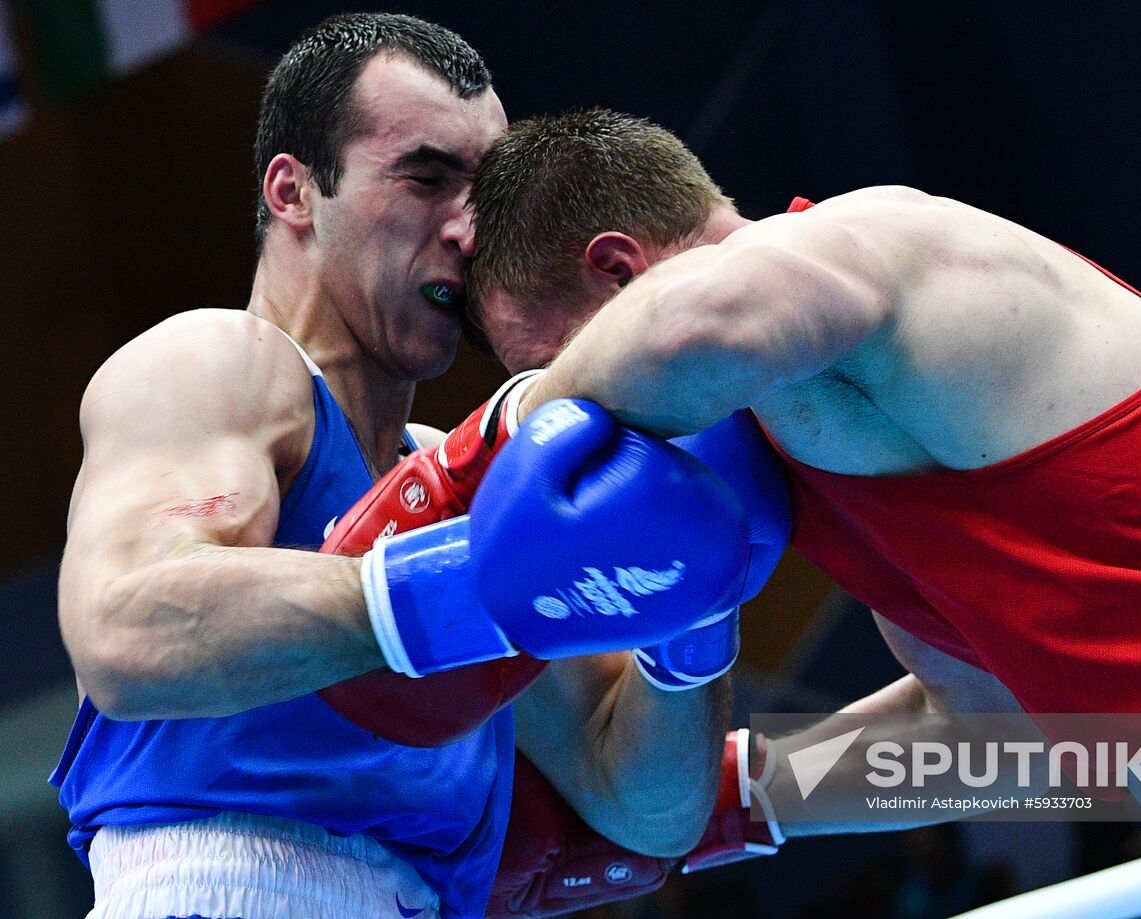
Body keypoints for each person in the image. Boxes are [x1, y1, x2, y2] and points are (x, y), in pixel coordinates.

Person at [461, 108, 1141, 917]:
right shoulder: (834, 440)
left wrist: (479, 462)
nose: (585, 433)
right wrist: (729, 798)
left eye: (557, 371)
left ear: (623, 273)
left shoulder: (857, 244)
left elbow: (689, 328)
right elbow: (992, 735)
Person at [50, 18, 782, 919]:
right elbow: (128, 630)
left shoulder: (449, 472)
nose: (470, 230)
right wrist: (471, 582)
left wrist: (693, 611)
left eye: (486, 191)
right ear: (294, 191)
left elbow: (642, 802)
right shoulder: (220, 363)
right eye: (427, 177)